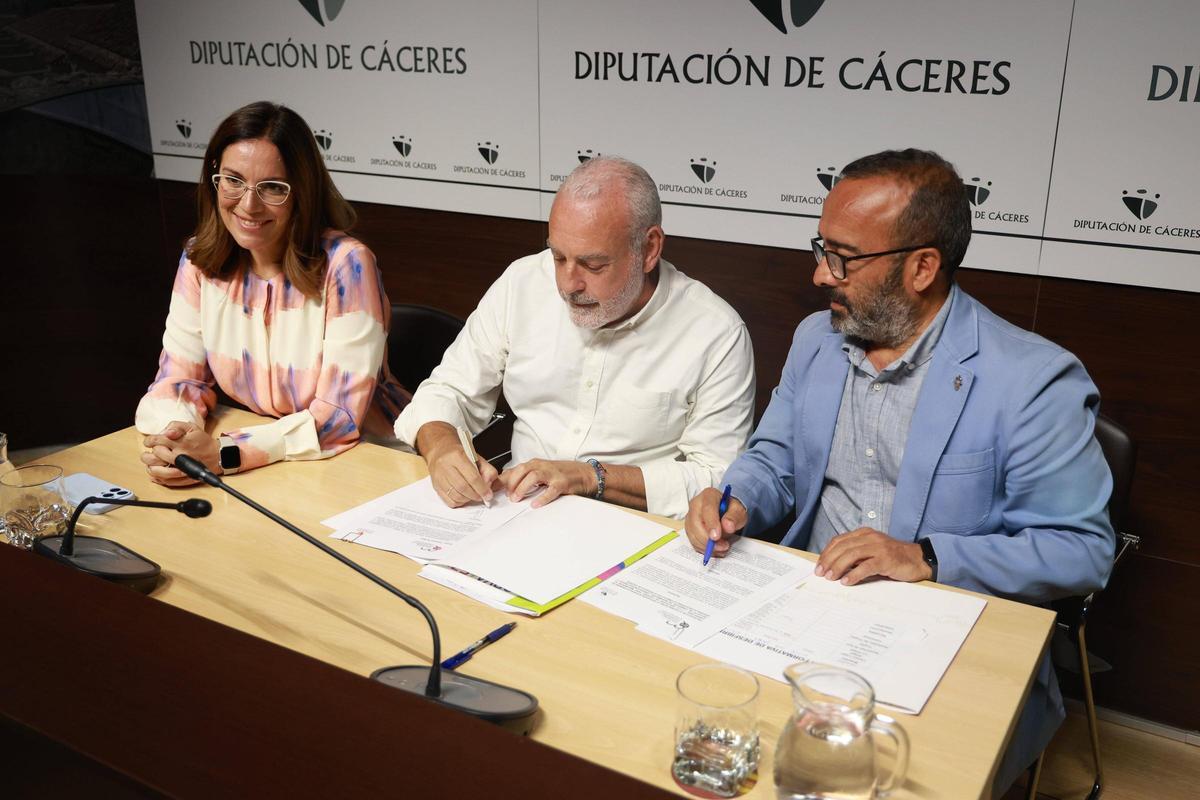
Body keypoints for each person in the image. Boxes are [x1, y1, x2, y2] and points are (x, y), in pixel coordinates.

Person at [684, 149, 1114, 795]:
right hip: (800, 616)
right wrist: (736, 498)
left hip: (941, 642)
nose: (820, 274)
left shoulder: (1032, 381)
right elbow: (774, 460)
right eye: (821, 249)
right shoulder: (815, 341)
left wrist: (926, 558)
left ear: (921, 267)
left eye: (843, 257)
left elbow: (1080, 550)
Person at [393, 155, 755, 519]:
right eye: (557, 256)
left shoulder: (716, 333)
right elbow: (448, 389)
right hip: (516, 514)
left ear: (649, 249)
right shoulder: (522, 283)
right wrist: (440, 446)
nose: (568, 284)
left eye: (593, 265)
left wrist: (589, 477)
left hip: (633, 528)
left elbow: (716, 478)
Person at [135, 101, 409, 484]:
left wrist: (226, 453)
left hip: (370, 459)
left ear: (302, 193)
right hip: (275, 464)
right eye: (233, 180)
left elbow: (339, 418)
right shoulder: (199, 260)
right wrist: (178, 441)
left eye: (273, 188)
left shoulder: (347, 264)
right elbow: (177, 382)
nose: (248, 205)